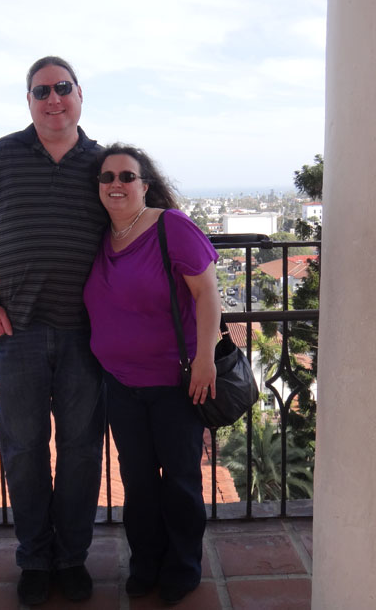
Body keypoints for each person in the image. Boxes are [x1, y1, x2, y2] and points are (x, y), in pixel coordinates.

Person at [0, 56, 107, 606]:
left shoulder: (103, 164)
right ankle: (35, 559)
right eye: (41, 91)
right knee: (23, 451)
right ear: (29, 101)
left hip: (86, 335)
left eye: (62, 87)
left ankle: (71, 558)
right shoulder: (2, 155)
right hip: (17, 332)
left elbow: (141, 225)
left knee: (82, 451)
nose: (53, 99)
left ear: (80, 94)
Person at [82, 143, 221, 605]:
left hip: (175, 382)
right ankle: (145, 563)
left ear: (145, 185)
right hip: (120, 384)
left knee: (180, 480)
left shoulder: (170, 227)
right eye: (107, 177)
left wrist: (205, 359)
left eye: (127, 176)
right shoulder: (102, 237)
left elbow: (207, 294)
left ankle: (182, 567)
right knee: (138, 481)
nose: (116, 184)